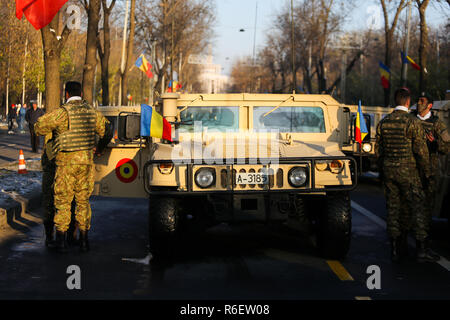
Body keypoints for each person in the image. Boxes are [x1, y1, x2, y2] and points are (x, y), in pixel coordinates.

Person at [34, 81, 112, 253]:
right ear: (81, 94)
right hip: (85, 164)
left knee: (63, 201)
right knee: (83, 202)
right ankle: (84, 241)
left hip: (66, 165)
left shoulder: (63, 113)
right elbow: (108, 130)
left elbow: (39, 127)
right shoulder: (91, 112)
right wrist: (99, 148)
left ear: (66, 94)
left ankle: (61, 241)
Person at [375, 88, 438, 263]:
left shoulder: (384, 122)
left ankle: (395, 248)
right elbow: (421, 152)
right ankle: (421, 250)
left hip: (389, 171)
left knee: (393, 208)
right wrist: (427, 174)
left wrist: (382, 171)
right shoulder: (412, 122)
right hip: (409, 172)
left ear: (396, 101)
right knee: (417, 209)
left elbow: (378, 152)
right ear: (408, 102)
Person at [412, 93, 450, 236]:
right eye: (418, 100)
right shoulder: (410, 120)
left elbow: (447, 147)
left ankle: (423, 238)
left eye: (422, 101)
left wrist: (435, 143)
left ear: (430, 105)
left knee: (427, 205)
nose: (419, 104)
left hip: (429, 171)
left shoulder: (437, 124)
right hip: (410, 169)